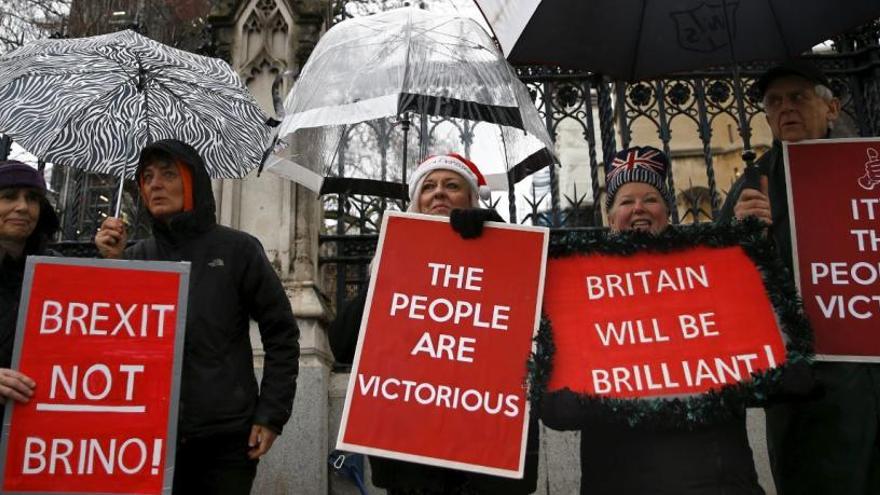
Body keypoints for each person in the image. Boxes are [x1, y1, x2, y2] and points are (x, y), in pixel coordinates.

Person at [542, 146, 764, 495]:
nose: (639, 209)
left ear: (667, 211)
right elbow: (557, 408)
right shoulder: (577, 292)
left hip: (714, 475)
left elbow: (759, 349)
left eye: (650, 198)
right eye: (626, 202)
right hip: (618, 476)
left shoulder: (709, 274)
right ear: (611, 216)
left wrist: (753, 247)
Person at [94, 139, 300, 495]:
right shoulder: (135, 257)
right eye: (146, 176)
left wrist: (271, 415)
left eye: (168, 174)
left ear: (193, 182)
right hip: (146, 436)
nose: (155, 183)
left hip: (226, 440)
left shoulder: (239, 250)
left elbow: (281, 334)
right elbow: (107, 342)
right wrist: (113, 268)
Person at [328, 153, 539, 494]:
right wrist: (386, 270)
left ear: (472, 199)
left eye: (451, 185)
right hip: (411, 462)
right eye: (428, 186)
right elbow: (343, 342)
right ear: (417, 202)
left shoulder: (508, 251)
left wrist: (497, 233)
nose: (438, 193)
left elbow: (531, 318)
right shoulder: (392, 259)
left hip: (485, 453)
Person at [719, 60, 880, 495]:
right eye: (773, 102)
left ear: (832, 108)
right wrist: (744, 235)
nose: (784, 108)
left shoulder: (868, 167)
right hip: (808, 388)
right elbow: (720, 283)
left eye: (797, 97)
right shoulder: (755, 184)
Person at [0, 160, 59, 416]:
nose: (23, 207)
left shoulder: (56, 272)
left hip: (33, 429)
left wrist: (112, 261)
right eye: (9, 197)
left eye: (33, 198)